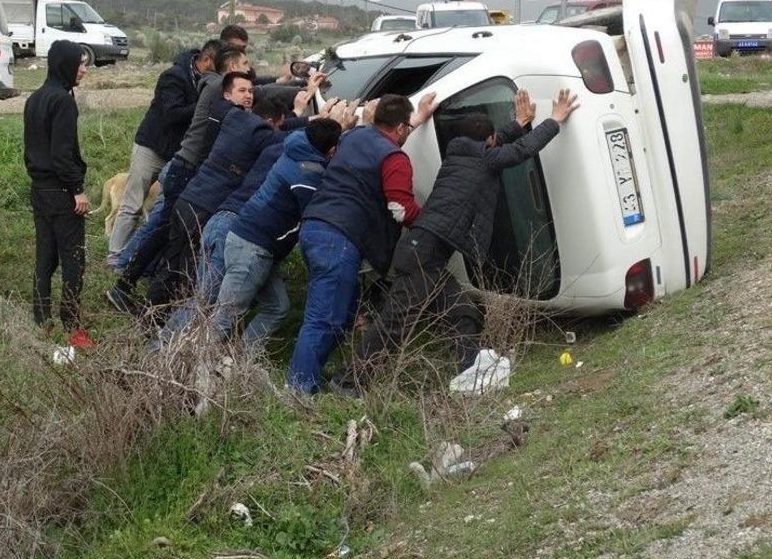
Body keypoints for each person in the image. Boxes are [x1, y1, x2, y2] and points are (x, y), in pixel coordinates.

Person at [330, 90, 579, 397]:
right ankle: (347, 382)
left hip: (425, 252)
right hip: (423, 255)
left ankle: (471, 370)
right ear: (487, 141)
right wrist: (554, 120)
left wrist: (517, 123)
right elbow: (520, 150)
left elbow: (496, 141)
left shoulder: (458, 153)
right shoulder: (486, 160)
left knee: (463, 311)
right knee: (394, 325)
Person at [286, 92, 437, 394]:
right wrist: (432, 223)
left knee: (341, 312)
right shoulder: (394, 158)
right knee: (324, 317)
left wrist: (414, 119)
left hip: (314, 226)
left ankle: (310, 373)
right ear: (401, 128)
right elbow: (400, 208)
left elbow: (383, 140)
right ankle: (298, 391)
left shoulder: (354, 136)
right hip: (340, 238)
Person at [106, 52, 251, 313]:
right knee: (165, 230)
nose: (250, 76)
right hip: (185, 169)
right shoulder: (216, 91)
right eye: (244, 67)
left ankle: (130, 283)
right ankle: (131, 284)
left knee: (165, 229)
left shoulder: (215, 92)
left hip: (184, 167)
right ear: (229, 71)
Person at [143, 92, 290, 306]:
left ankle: (151, 311)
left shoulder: (234, 119)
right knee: (184, 269)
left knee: (173, 261)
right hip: (203, 207)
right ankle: (159, 318)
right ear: (269, 122)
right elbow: (286, 140)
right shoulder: (261, 133)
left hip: (188, 199)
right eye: (279, 126)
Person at [212, 117, 345, 349]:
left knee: (277, 307)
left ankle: (236, 361)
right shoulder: (308, 173)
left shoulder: (297, 147)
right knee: (225, 316)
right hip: (253, 248)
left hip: (253, 243)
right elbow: (315, 214)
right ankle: (191, 367)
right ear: (332, 150)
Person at [106, 38, 223, 265]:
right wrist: (203, 105)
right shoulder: (174, 76)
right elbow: (172, 113)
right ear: (207, 60)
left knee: (164, 207)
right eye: (219, 66)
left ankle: (144, 258)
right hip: (152, 147)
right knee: (132, 201)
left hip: (178, 153)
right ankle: (115, 254)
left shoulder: (205, 81)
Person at [23, 40, 93, 349]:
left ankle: (41, 319)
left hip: (39, 190)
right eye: (80, 63)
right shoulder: (63, 101)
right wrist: (76, 189)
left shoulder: (35, 98)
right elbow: (62, 153)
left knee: (44, 257)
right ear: (65, 65)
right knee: (73, 260)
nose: (84, 69)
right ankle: (72, 326)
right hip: (62, 192)